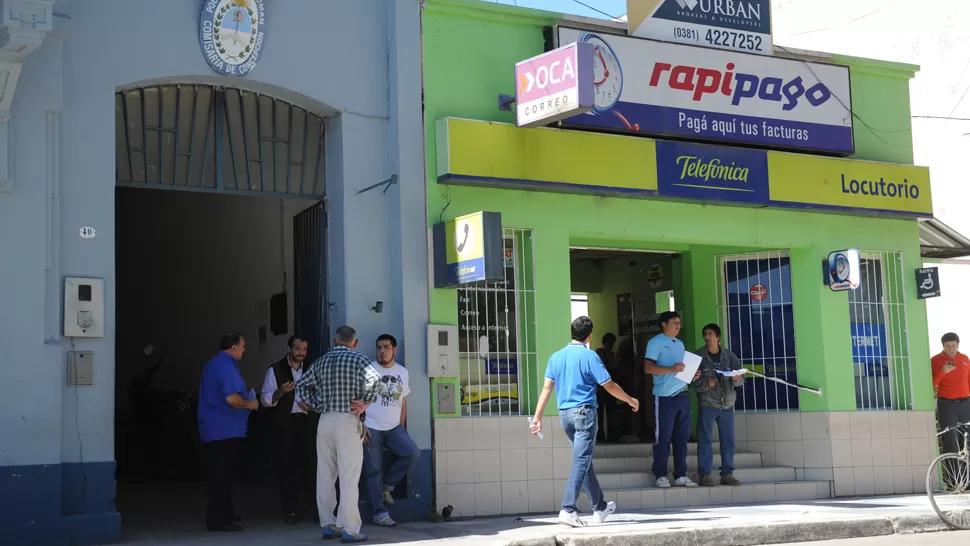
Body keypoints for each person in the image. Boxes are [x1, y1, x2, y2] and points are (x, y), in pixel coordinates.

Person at [530, 316, 639, 527]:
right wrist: (630, 400)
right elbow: (609, 385)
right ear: (589, 336)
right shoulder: (590, 357)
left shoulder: (556, 357)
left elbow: (546, 389)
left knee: (584, 460)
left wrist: (537, 418)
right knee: (581, 461)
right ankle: (568, 508)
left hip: (565, 416)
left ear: (571, 332)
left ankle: (599, 507)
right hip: (584, 415)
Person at [297, 326, 381, 543]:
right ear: (354, 342)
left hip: (325, 421)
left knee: (325, 474)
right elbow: (376, 381)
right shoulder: (359, 360)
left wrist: (316, 405)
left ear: (335, 341)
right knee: (349, 476)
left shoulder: (322, 361)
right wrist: (364, 404)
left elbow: (302, 386)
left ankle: (328, 525)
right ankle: (350, 529)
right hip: (348, 420)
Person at [197, 332, 258, 532]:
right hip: (223, 430)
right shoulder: (225, 366)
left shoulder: (215, 363)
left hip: (218, 429)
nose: (244, 350)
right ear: (233, 348)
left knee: (222, 475)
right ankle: (218, 521)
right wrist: (251, 404)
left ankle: (226, 513)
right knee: (221, 477)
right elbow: (232, 399)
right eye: (243, 346)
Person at [362, 334, 421, 528]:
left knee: (412, 453)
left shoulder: (402, 372)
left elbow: (403, 401)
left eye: (386, 347)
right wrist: (361, 424)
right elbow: (356, 400)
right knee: (373, 471)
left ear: (394, 350)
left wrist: (401, 426)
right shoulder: (368, 369)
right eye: (379, 347)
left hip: (394, 427)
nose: (382, 351)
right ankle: (379, 512)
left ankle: (388, 486)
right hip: (371, 427)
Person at [260, 334, 317, 524]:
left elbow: (321, 394)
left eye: (304, 350)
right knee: (286, 468)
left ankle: (314, 509)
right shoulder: (275, 370)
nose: (301, 353)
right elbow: (266, 401)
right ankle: (290, 510)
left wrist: (311, 406)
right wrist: (281, 392)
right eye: (297, 349)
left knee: (311, 467)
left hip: (306, 423)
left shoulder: (312, 368)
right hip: (284, 424)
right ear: (289, 349)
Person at [644, 311, 699, 489]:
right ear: (663, 324)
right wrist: (672, 368)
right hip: (665, 396)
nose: (678, 325)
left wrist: (692, 374)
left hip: (682, 393)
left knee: (682, 438)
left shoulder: (680, 344)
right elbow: (648, 368)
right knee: (663, 437)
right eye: (674, 322)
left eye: (679, 322)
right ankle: (660, 474)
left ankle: (681, 475)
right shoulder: (655, 342)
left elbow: (681, 369)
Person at [691, 323, 744, 487]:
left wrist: (737, 379)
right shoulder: (697, 356)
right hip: (708, 403)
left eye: (711, 334)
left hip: (727, 405)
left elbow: (741, 378)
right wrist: (707, 383)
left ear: (718, 337)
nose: (708, 337)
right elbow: (692, 382)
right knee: (705, 439)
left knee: (728, 441)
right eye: (705, 334)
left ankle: (727, 474)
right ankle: (705, 474)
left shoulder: (730, 356)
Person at [931, 332, 970, 458]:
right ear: (943, 346)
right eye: (947, 346)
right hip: (947, 404)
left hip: (965, 403)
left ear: (958, 345)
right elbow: (931, 383)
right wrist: (943, 372)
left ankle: (966, 476)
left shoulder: (964, 358)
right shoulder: (935, 360)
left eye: (953, 345)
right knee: (950, 439)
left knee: (966, 438)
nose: (951, 349)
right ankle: (952, 477)